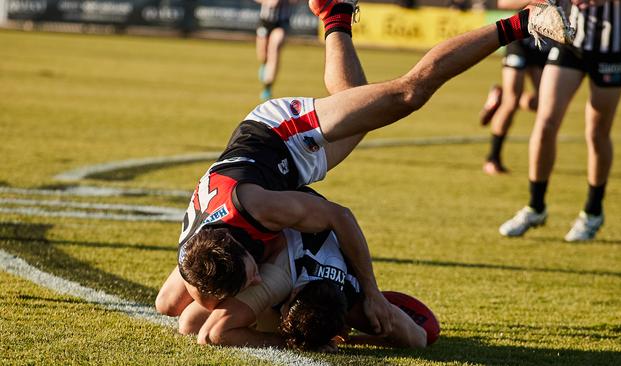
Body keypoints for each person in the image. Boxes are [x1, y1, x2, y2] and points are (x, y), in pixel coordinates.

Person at [156, 0, 574, 338]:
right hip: (266, 168)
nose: (252, 281)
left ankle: (522, 22)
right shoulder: (199, 257)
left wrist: (371, 294)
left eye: (249, 274)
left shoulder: (260, 207)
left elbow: (339, 216)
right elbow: (169, 304)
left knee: (407, 94)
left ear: (240, 247)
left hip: (283, 134)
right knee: (355, 100)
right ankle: (334, 15)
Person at [174, 199, 428, 350]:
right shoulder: (277, 279)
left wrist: (373, 311)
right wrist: (282, 341)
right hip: (253, 228)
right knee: (177, 311)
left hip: (308, 240)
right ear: (291, 294)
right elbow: (208, 333)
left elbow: (420, 336)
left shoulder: (354, 296)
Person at [499, 0, 621, 241]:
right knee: (546, 121)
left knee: (596, 132)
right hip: (570, 42)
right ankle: (535, 207)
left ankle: (593, 212)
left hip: (613, 47)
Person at [480, 0, 552, 175]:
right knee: (511, 103)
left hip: (544, 41)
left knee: (546, 105)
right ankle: (492, 159)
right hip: (519, 37)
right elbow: (503, 3)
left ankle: (502, 95)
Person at [256, 0, 296, 100]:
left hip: (281, 23)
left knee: (274, 49)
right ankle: (264, 64)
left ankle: (267, 87)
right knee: (263, 55)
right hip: (265, 21)